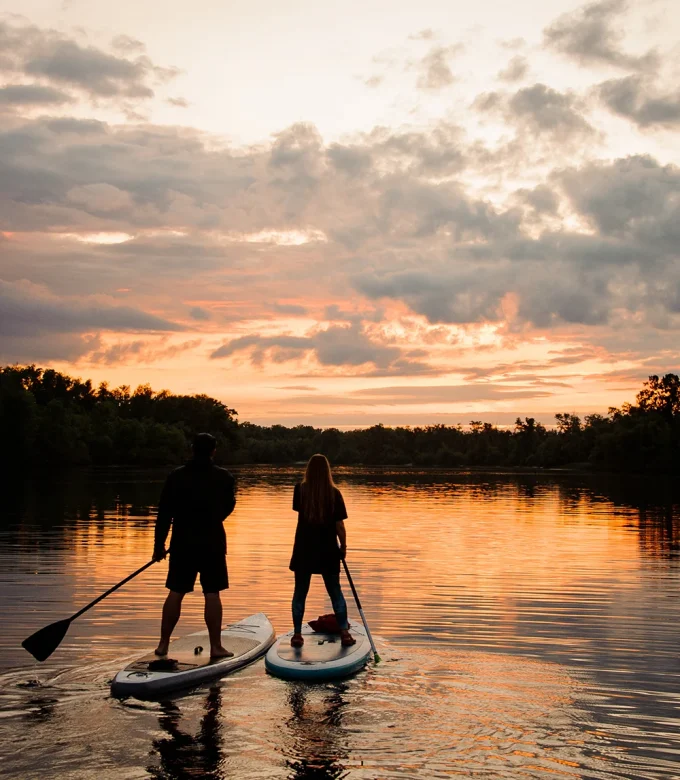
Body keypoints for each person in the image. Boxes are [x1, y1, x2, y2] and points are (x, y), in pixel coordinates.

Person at [153, 433, 236, 659]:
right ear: (213, 451)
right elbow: (227, 509)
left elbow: (164, 514)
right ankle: (216, 647)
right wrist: (210, 520)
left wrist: (158, 545)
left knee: (176, 592)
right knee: (212, 593)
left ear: (192, 449)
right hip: (212, 543)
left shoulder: (176, 477)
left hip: (182, 542)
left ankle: (163, 645)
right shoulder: (224, 477)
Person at [289, 454, 355, 648]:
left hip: (303, 548)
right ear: (328, 471)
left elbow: (300, 513)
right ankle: (344, 632)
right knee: (335, 591)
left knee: (300, 592)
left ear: (308, 470)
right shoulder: (334, 493)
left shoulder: (300, 491)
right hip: (327, 549)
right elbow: (339, 526)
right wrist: (343, 547)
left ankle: (297, 635)